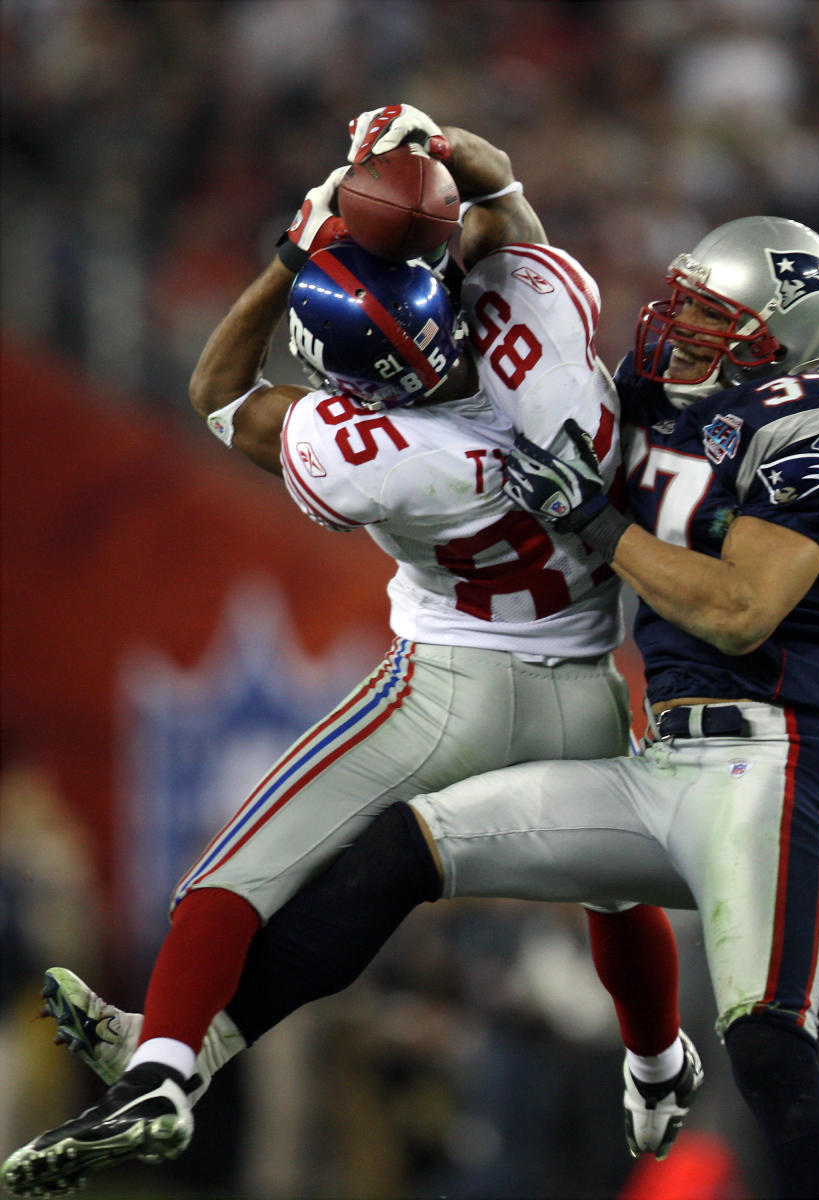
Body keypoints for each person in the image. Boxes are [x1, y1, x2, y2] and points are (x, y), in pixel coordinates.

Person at [0, 109, 698, 1198]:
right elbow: (500, 196)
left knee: (239, 865)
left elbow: (219, 393)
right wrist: (433, 147)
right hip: (589, 686)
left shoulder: (362, 448)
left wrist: (297, 247)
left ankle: (164, 1068)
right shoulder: (543, 318)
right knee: (612, 890)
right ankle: (657, 1066)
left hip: (452, 687)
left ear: (351, 374)